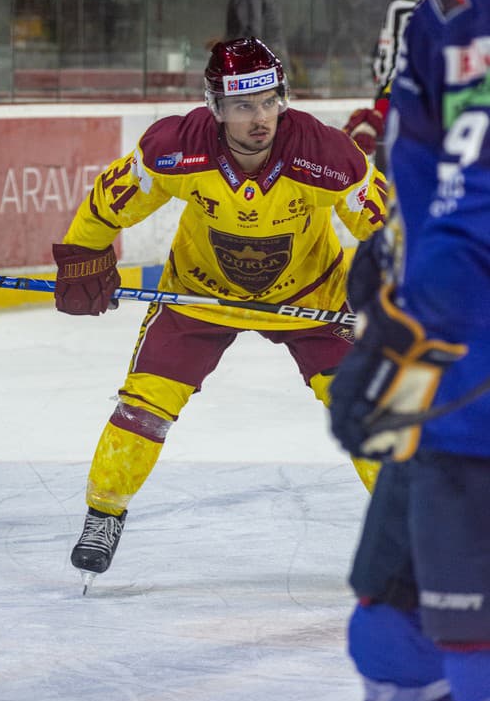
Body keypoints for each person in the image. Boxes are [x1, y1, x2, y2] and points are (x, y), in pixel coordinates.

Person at [52, 36, 387, 587]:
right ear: (216, 108)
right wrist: (84, 253)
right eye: (242, 105)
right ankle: (103, 514)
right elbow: (109, 200)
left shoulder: (328, 157)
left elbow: (389, 232)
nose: (261, 119)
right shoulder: (176, 147)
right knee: (145, 405)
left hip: (310, 299)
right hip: (200, 296)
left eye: (269, 101)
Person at [329, 0, 490, 701]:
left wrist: (393, 340)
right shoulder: (446, 9)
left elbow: (482, 219)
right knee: (391, 637)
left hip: (467, 389)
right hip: (446, 380)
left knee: (469, 664)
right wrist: (387, 253)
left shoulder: (479, 5)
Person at [341, 0, 428, 171]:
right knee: (393, 146)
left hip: (411, 85)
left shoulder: (425, 1)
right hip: (398, 84)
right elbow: (393, 51)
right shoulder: (405, 4)